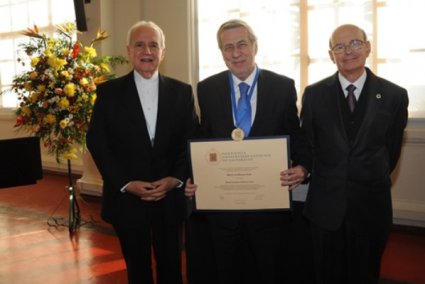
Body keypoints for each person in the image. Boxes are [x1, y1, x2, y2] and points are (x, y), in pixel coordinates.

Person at [185, 19, 311, 284]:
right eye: (227, 47)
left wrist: (303, 167)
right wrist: (191, 175)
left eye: (242, 44)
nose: (235, 53)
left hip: (267, 209)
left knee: (267, 271)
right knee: (226, 272)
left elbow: (297, 135)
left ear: (254, 46)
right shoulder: (207, 89)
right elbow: (202, 138)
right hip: (223, 209)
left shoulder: (282, 86)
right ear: (221, 52)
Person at [86, 20, 198, 284]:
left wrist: (176, 179)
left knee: (171, 267)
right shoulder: (108, 93)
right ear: (128, 50)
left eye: (153, 45)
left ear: (163, 51)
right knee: (137, 271)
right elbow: (97, 142)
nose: (146, 51)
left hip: (169, 198)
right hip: (127, 200)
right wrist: (125, 183)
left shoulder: (183, 92)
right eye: (139, 44)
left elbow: (190, 139)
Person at [300, 24, 409, 284]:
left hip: (371, 207)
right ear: (331, 54)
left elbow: (390, 151)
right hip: (326, 208)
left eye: (355, 44)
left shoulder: (394, 95)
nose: (348, 51)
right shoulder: (314, 95)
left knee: (366, 274)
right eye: (339, 46)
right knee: (326, 274)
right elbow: (309, 144)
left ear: (368, 47)